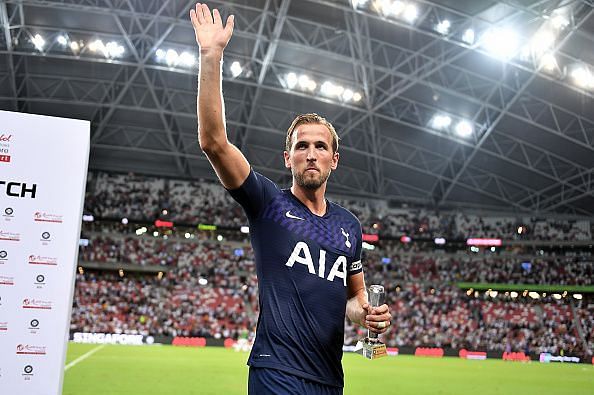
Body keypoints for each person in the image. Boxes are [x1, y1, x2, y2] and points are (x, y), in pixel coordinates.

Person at [190, 3, 392, 394]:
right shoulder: (269, 204)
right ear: (288, 157)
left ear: (334, 159)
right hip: (276, 373)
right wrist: (211, 55)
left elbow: (353, 296)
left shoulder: (348, 226)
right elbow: (213, 142)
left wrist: (367, 312)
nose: (311, 153)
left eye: (320, 146)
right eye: (302, 146)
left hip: (329, 379)